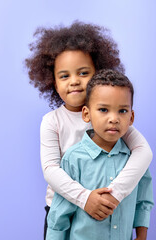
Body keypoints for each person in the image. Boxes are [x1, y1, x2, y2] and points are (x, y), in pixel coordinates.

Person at [25, 22, 152, 239]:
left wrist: (116, 194)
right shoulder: (52, 121)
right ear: (53, 83)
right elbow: (51, 169)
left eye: (83, 73)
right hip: (61, 207)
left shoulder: (111, 119)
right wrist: (85, 198)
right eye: (64, 76)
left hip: (108, 208)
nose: (74, 81)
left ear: (98, 73)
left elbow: (144, 153)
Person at [46, 69, 154, 240]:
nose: (114, 118)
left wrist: (141, 235)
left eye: (123, 111)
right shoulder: (74, 158)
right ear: (86, 114)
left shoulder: (135, 159)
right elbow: (59, 216)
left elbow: (143, 202)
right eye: (104, 110)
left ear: (132, 117)